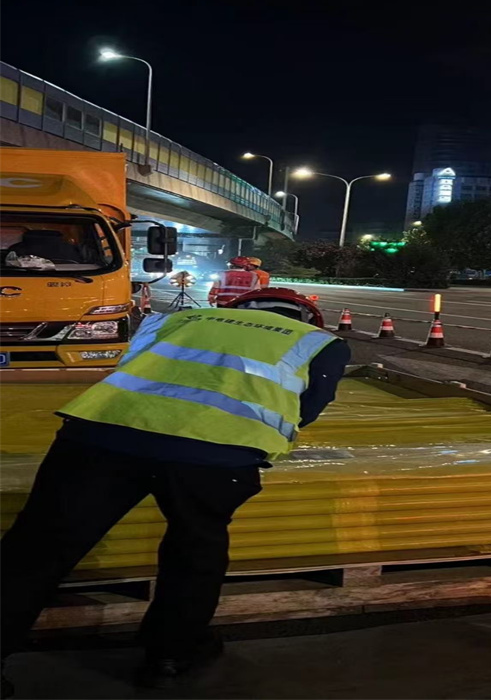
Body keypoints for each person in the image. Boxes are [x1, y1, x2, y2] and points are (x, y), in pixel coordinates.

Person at [0, 289, 350, 695]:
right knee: (194, 550)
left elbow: (136, 368)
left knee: (37, 549)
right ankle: (170, 656)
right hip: (213, 452)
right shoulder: (320, 343)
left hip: (101, 433)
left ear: (233, 308)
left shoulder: (178, 319)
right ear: (308, 317)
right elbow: (307, 409)